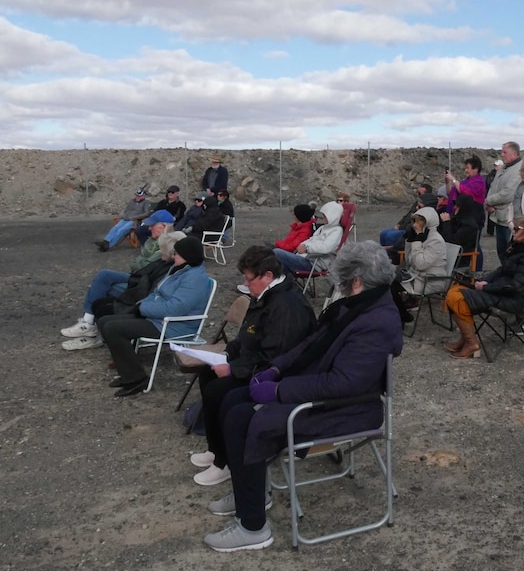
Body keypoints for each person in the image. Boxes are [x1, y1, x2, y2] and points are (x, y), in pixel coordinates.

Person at [202, 241, 403, 552]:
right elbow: (310, 345)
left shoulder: (376, 321)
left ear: (358, 282)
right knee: (231, 401)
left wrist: (280, 390)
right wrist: (276, 370)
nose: (341, 287)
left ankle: (253, 526)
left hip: (346, 409)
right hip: (323, 393)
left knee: (241, 417)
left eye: (344, 281)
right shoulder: (357, 306)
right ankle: (252, 491)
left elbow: (344, 384)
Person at [191, 246, 316, 487]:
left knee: (220, 391)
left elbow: (276, 357)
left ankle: (225, 461)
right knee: (208, 374)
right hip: (256, 363)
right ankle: (216, 448)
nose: (246, 285)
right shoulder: (268, 296)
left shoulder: (288, 307)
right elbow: (248, 337)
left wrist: (234, 369)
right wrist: (227, 354)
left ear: (267, 276)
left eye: (249, 279)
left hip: (276, 376)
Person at [96, 236, 213, 397]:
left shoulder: (195, 279)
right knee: (104, 321)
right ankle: (128, 373)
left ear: (188, 256)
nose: (173, 256)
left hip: (174, 326)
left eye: (177, 254)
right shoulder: (180, 269)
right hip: (158, 319)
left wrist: (143, 308)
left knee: (113, 328)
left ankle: (136, 379)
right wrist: (140, 304)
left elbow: (174, 309)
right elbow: (157, 292)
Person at [61, 211, 176, 349]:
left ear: (163, 226)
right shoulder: (152, 241)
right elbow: (137, 264)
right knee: (104, 278)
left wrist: (141, 264)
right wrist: (141, 264)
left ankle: (94, 330)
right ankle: (90, 324)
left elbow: (144, 266)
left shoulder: (171, 243)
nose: (149, 228)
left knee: (105, 286)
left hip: (147, 283)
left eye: (153, 225)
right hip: (138, 277)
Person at [443, 214, 524, 359]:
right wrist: (485, 281)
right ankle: (466, 338)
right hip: (501, 291)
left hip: (513, 299)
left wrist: (486, 287)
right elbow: (502, 270)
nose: (513, 231)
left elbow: (515, 286)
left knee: (456, 297)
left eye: (517, 228)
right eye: (514, 227)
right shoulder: (520, 247)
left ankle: (471, 343)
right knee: (454, 289)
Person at [88, 231, 187, 324]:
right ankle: (88, 322)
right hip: (140, 284)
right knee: (102, 284)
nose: (160, 251)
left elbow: (150, 286)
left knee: (101, 294)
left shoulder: (170, 269)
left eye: (162, 249)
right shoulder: (157, 251)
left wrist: (138, 305)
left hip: (143, 295)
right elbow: (137, 267)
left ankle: (88, 323)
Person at [390, 207, 447, 322]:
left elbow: (420, 264)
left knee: (390, 287)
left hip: (431, 280)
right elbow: (410, 261)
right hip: (417, 275)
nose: (416, 224)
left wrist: (417, 240)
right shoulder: (423, 237)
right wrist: (411, 240)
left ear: (429, 222)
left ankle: (402, 316)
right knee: (386, 281)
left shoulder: (435, 240)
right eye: (415, 220)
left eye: (420, 221)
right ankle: (400, 314)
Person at [272, 200, 344, 274]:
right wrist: (303, 245)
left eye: (325, 216)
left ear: (332, 216)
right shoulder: (323, 228)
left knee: (277, 253)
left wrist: (307, 248)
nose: (323, 218)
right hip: (306, 257)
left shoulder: (336, 231)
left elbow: (326, 247)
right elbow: (311, 239)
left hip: (314, 263)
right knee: (275, 261)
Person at [445, 155, 487, 270]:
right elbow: (451, 193)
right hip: (461, 217)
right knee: (462, 243)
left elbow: (466, 192)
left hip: (474, 216)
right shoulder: (464, 181)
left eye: (468, 168)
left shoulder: (479, 182)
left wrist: (453, 179)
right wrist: (448, 182)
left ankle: (477, 269)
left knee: (474, 245)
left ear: (475, 169)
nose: (466, 170)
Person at [485, 142, 523, 265]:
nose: (502, 155)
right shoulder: (503, 168)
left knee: (509, 251)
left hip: (510, 218)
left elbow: (508, 193)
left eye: (504, 152)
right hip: (499, 216)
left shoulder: (519, 170)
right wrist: (489, 201)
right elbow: (493, 186)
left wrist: (489, 201)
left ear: (514, 153)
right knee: (501, 250)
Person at [439, 194, 480, 269]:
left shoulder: (469, 226)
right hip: (447, 254)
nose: (454, 208)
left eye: (457, 206)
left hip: (458, 258)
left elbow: (452, 242)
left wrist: (446, 223)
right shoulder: (457, 220)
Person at [484, 159, 503, 237]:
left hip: (499, 197)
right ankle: (490, 231)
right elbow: (487, 184)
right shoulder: (491, 175)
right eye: (495, 165)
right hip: (491, 196)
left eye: (497, 165)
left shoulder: (503, 175)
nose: (496, 167)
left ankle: (499, 230)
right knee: (490, 214)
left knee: (500, 214)